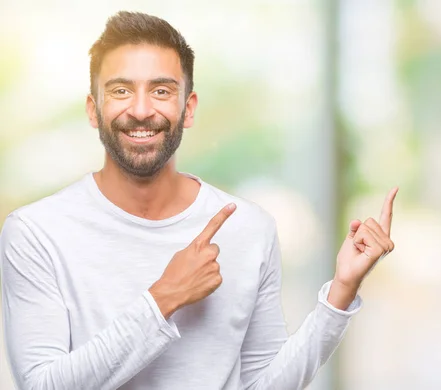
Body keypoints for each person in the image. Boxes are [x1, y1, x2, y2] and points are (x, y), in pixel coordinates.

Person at [0, 11, 397, 390]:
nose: (140, 110)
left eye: (161, 91)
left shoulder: (248, 227)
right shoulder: (36, 232)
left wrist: (341, 290)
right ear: (94, 109)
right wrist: (164, 297)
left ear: (187, 109)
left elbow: (263, 384)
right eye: (121, 90)